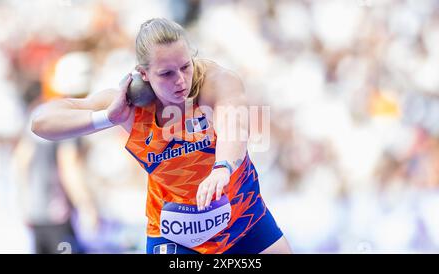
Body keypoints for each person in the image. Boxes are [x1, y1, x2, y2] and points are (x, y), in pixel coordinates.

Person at [31, 18, 291, 254]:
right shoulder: (132, 107)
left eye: (185, 67)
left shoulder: (216, 81)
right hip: (178, 237)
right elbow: (41, 122)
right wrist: (108, 117)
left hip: (243, 219)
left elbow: (234, 127)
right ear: (143, 75)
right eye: (166, 73)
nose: (180, 80)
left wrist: (222, 167)